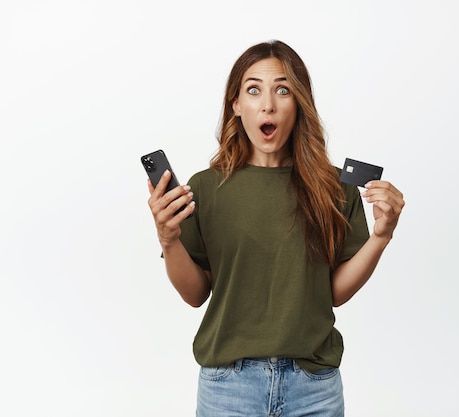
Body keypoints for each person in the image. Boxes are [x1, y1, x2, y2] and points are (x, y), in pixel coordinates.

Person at [147, 40, 405, 417]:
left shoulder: (336, 188)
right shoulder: (203, 188)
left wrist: (381, 237)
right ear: (236, 105)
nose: (267, 104)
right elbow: (195, 294)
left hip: (313, 387)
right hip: (228, 388)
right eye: (254, 90)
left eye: (282, 90)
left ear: (299, 102)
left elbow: (334, 293)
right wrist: (169, 240)